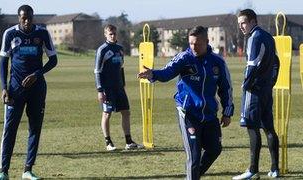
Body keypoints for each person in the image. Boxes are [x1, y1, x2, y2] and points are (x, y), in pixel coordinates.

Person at [138, 26, 234, 180]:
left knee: (215, 149)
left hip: (209, 115)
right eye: (190, 43)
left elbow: (226, 88)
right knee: (194, 156)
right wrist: (153, 73)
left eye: (197, 44)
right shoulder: (184, 58)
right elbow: (167, 72)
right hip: (188, 113)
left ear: (207, 42)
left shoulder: (217, 62)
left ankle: (192, 176)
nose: (193, 47)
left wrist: (227, 112)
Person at [0, 5, 57, 180]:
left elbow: (53, 59)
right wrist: (4, 88)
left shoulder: (42, 33)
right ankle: (2, 172)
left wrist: (37, 75)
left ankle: (27, 170)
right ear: (18, 18)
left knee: (35, 128)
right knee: (9, 129)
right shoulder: (10, 34)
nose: (27, 21)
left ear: (33, 17)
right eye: (24, 18)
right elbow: (3, 62)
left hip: (37, 89)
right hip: (15, 90)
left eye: (30, 17)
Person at [232, 9, 280, 180]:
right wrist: (271, 82)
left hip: (254, 91)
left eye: (243, 23)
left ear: (253, 21)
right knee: (269, 129)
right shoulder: (268, 37)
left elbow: (252, 66)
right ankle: (275, 169)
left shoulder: (254, 37)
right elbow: (276, 62)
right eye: (239, 24)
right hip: (266, 90)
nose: (241, 27)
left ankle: (253, 170)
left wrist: (246, 86)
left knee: (252, 128)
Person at [94, 24, 143, 151]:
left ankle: (128, 141)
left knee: (126, 112)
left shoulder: (120, 49)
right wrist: (100, 90)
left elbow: (121, 68)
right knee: (107, 114)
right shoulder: (102, 50)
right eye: (110, 34)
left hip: (119, 87)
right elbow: (97, 71)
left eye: (114, 33)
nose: (113, 36)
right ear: (105, 35)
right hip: (107, 88)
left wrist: (123, 84)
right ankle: (108, 142)